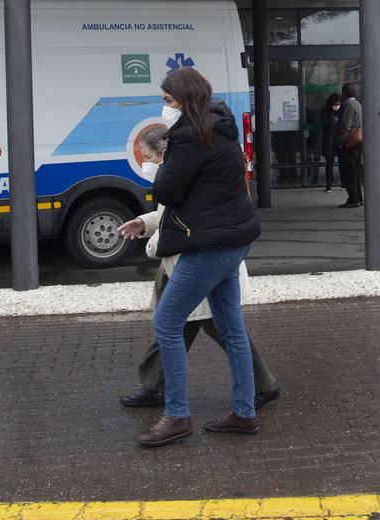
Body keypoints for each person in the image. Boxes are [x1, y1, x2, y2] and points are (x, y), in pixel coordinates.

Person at [131, 67, 261, 448]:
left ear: (185, 101)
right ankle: (244, 412)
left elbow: (168, 191)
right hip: (232, 241)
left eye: (168, 101)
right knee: (231, 328)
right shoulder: (221, 129)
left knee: (167, 321)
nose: (165, 108)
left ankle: (176, 416)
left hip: (207, 246)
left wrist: (158, 167)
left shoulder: (189, 138)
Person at [117, 124, 281, 414]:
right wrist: (145, 224)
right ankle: (162, 391)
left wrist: (153, 244)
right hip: (194, 265)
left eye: (148, 157)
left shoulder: (187, 172)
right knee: (186, 328)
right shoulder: (187, 170)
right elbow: (171, 216)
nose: (146, 164)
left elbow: (186, 222)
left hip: (198, 266)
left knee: (202, 329)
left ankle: (178, 410)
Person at [337, 82, 363, 209]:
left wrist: (341, 143)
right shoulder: (357, 104)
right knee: (355, 171)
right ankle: (359, 197)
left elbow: (344, 126)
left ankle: (353, 198)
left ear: (344, 93)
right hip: (357, 141)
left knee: (349, 171)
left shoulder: (348, 105)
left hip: (349, 142)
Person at [319, 92, 343, 193]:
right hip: (329, 141)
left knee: (342, 163)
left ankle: (344, 184)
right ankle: (328, 185)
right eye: (336, 104)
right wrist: (331, 117)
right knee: (329, 164)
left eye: (338, 104)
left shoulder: (341, 111)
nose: (337, 106)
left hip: (338, 141)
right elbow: (323, 123)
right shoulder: (326, 112)